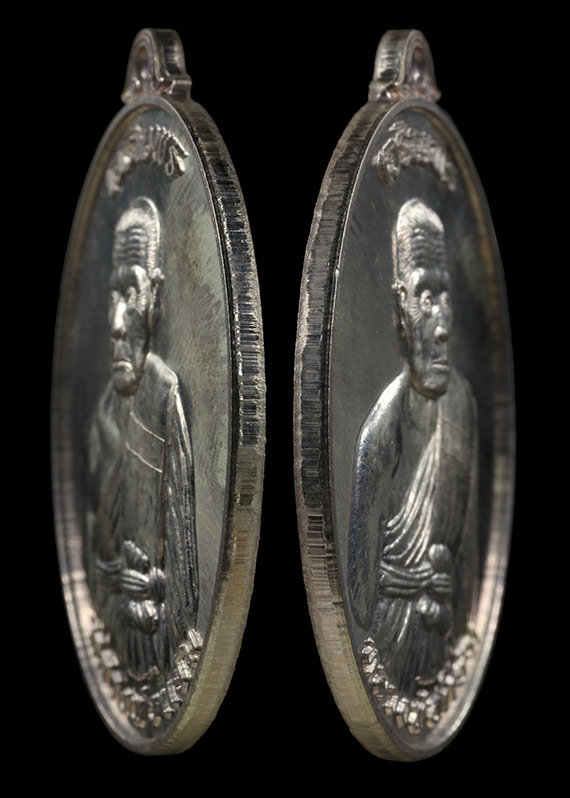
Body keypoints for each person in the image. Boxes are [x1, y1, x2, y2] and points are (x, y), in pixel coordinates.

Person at [348, 198, 478, 696]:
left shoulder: (462, 405)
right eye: (426, 298)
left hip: (444, 647)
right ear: (401, 306)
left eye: (446, 299)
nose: (442, 325)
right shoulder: (381, 434)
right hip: (391, 650)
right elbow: (360, 598)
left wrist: (444, 583)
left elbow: (467, 554)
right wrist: (410, 581)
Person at [85, 197, 198, 682]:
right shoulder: (101, 416)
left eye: (130, 294)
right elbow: (93, 558)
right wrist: (112, 576)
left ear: (154, 300)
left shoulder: (164, 398)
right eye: (112, 296)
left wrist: (151, 585)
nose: (116, 323)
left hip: (157, 655)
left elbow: (185, 595)